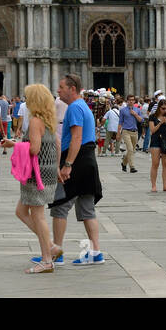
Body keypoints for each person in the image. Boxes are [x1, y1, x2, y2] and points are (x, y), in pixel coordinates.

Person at [49, 74, 104, 265]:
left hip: (77, 161)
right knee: (87, 209)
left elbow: (76, 138)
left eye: (61, 87)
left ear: (72, 89)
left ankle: (56, 253)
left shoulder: (73, 107)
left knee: (59, 206)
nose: (58, 90)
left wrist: (67, 165)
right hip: (88, 160)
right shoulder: (83, 106)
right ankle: (95, 252)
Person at [17, 84, 60, 273]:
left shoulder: (35, 121)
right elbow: (57, 145)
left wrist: (15, 144)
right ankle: (50, 245)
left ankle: (47, 260)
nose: (25, 101)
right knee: (21, 211)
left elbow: (33, 149)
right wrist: (57, 166)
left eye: (28, 98)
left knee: (38, 215)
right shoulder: (49, 120)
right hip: (48, 171)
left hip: (36, 173)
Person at [147, 101, 166, 193]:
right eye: (163, 108)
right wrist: (160, 123)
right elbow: (152, 130)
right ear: (159, 108)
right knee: (155, 164)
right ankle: (153, 186)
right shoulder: (152, 117)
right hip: (155, 140)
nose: (165, 110)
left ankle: (165, 185)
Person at [118, 97, 142, 174]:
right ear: (127, 101)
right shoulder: (123, 110)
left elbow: (141, 120)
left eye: (132, 100)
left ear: (134, 101)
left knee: (132, 150)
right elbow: (120, 122)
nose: (131, 101)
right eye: (129, 100)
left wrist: (135, 114)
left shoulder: (137, 110)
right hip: (126, 131)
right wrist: (118, 133)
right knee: (130, 149)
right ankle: (132, 167)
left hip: (135, 132)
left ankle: (124, 163)